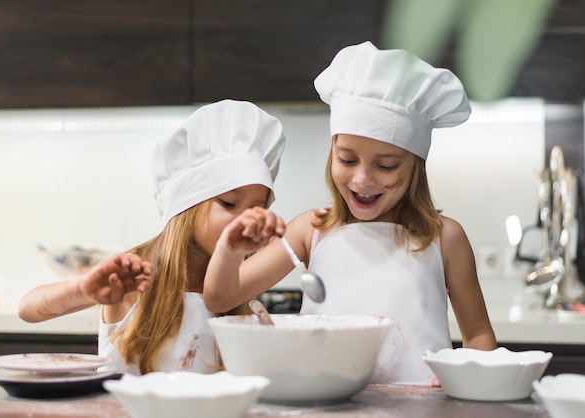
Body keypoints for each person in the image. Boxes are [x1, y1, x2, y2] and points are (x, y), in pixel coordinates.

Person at [203, 42, 496, 385]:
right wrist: (230, 251)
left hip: (420, 405)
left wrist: (468, 377)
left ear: (416, 166)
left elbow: (478, 336)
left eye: (386, 165)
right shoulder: (310, 230)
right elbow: (221, 297)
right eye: (347, 160)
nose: (362, 180)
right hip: (328, 402)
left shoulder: (445, 238)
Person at [18, 99, 286, 375]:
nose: (244, 221)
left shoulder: (238, 288)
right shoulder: (135, 275)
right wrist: (83, 289)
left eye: (257, 210)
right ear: (187, 205)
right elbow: (28, 308)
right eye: (229, 203)